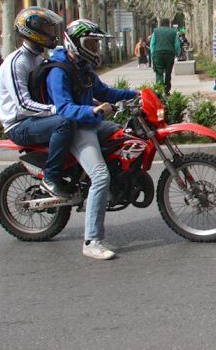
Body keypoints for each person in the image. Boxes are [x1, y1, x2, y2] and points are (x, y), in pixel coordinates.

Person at [46, 19, 138, 260]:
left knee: (123, 135)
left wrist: (138, 95)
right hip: (77, 127)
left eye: (96, 44)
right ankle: (92, 240)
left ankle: (117, 185)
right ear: (75, 43)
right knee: (100, 176)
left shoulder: (82, 67)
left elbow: (105, 93)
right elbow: (63, 108)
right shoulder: (59, 71)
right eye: (91, 43)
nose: (95, 48)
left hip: (90, 123)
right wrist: (93, 111)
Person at [0, 7, 74, 199]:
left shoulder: (38, 58)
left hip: (34, 120)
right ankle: (51, 178)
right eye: (47, 30)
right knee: (64, 122)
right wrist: (57, 110)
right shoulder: (17, 62)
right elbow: (24, 105)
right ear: (33, 31)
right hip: (19, 124)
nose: (51, 34)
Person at [149, 23, 180, 94]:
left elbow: (152, 44)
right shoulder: (173, 32)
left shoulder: (156, 31)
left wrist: (153, 55)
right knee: (168, 73)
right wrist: (177, 54)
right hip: (170, 54)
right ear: (168, 24)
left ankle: (159, 91)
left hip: (158, 54)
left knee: (159, 73)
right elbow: (177, 45)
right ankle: (166, 90)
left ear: (160, 24)